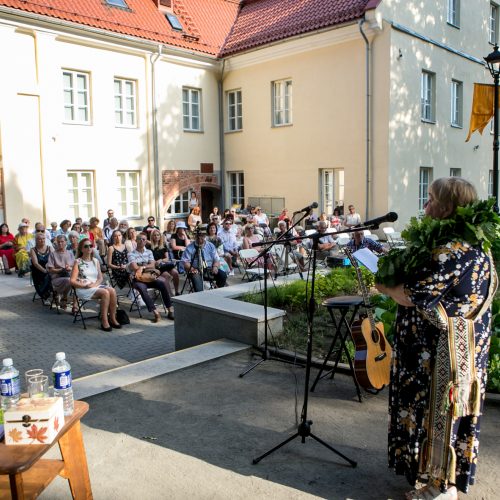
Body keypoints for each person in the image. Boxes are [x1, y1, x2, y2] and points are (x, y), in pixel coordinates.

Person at [375, 177, 497, 499]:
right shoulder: (476, 245)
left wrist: (382, 285)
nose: (425, 205)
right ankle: (444, 480)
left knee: (438, 413)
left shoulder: (450, 251)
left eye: (430, 199)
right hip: (468, 348)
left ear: (446, 207)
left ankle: (441, 486)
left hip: (439, 354)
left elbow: (409, 295)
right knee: (452, 415)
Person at [70, 238, 120, 332]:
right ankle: (104, 321)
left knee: (112, 290)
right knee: (105, 292)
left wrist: (95, 284)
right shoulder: (78, 262)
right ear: (81, 249)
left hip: (94, 286)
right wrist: (84, 286)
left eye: (90, 246)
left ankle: (113, 318)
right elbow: (72, 281)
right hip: (83, 288)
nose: (89, 248)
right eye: (86, 246)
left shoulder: (95, 261)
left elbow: (100, 278)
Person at [128, 234, 175, 321]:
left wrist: (142, 267)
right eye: (140, 239)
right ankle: (155, 312)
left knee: (162, 284)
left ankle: (170, 310)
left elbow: (153, 265)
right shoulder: (131, 254)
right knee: (142, 289)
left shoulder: (149, 252)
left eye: (144, 239)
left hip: (150, 277)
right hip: (138, 278)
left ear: (146, 241)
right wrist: (145, 265)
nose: (142, 241)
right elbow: (134, 267)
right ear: (136, 241)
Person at [47, 235, 74, 310]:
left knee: (73, 280)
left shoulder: (70, 253)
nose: (60, 244)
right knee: (69, 280)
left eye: (62, 242)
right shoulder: (53, 254)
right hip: (56, 277)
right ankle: (64, 297)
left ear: (66, 242)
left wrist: (69, 268)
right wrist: (61, 270)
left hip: (68, 275)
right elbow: (51, 269)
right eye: (58, 242)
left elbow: (73, 266)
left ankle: (68, 300)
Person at [149, 228, 179, 296]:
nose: (156, 236)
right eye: (154, 235)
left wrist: (161, 260)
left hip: (165, 264)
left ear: (160, 236)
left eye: (158, 235)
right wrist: (156, 262)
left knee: (175, 273)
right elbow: (150, 259)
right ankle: (170, 295)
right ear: (152, 236)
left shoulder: (163, 246)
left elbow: (167, 258)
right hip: (157, 267)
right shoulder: (149, 247)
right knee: (167, 276)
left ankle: (177, 291)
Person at [29, 232, 53, 300]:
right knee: (48, 276)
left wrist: (51, 269)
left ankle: (57, 294)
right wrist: (45, 271)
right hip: (38, 270)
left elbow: (54, 259)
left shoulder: (50, 248)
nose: (42, 240)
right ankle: (45, 295)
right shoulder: (33, 250)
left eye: (43, 238)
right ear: (36, 240)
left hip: (49, 268)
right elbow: (36, 263)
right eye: (40, 239)